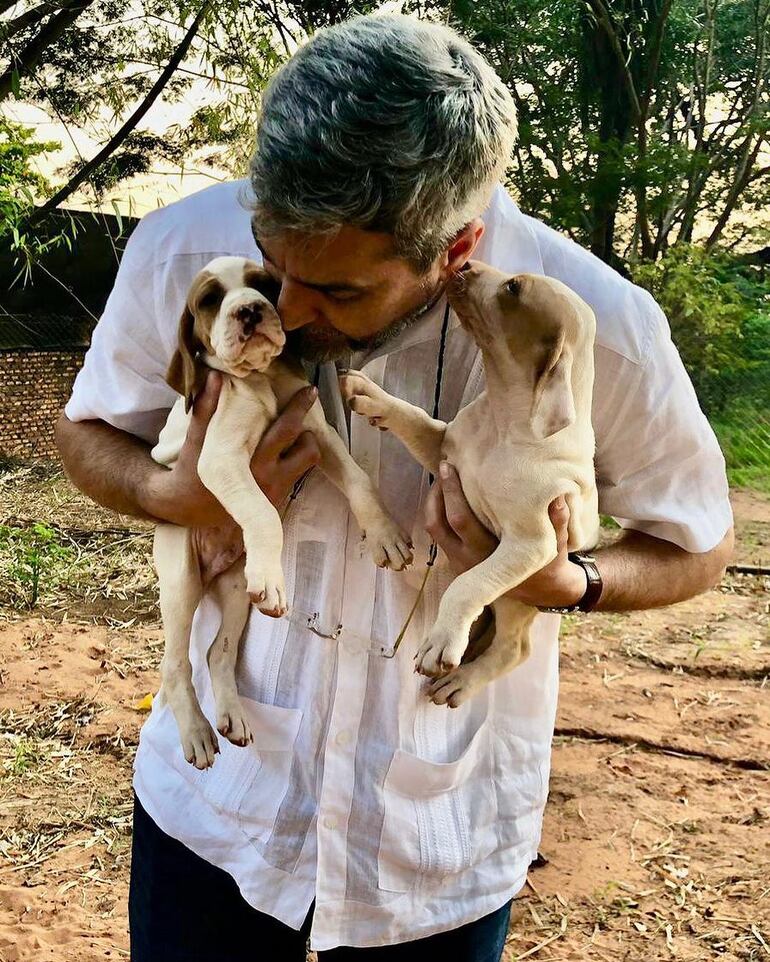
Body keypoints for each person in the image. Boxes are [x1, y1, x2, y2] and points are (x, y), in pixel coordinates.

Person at [56, 13, 734, 961]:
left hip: (435, 850)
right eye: (274, 260)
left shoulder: (592, 325)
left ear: (456, 251)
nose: (286, 313)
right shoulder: (184, 254)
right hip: (217, 817)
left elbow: (699, 544)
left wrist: (568, 582)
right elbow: (87, 434)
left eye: (337, 294)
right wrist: (171, 496)